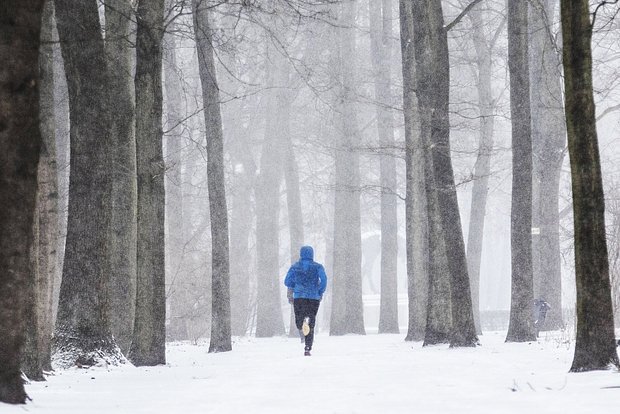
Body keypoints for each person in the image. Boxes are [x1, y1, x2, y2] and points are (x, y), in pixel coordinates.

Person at [284, 245, 327, 356]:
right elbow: (324, 280)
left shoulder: (295, 267)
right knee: (311, 323)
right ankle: (307, 347)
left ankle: (303, 323)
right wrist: (320, 290)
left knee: (299, 321)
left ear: (301, 254)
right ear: (312, 254)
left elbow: (287, 281)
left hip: (299, 297)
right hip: (313, 298)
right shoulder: (318, 267)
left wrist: (295, 284)